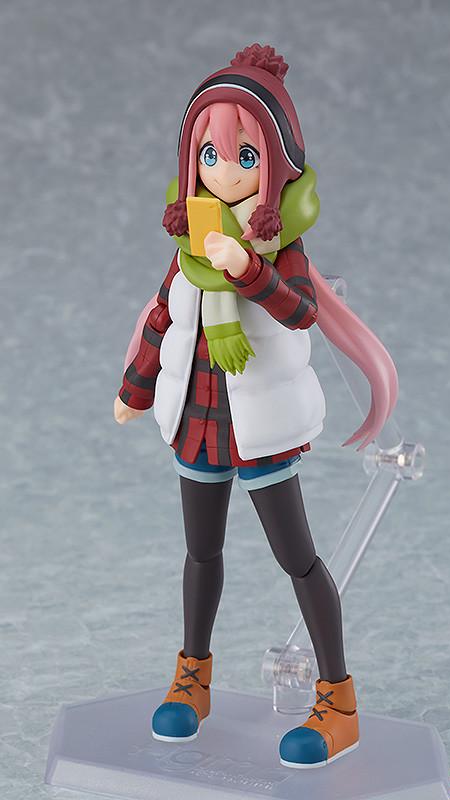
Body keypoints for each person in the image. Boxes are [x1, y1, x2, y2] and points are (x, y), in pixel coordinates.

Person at [115, 43, 398, 769]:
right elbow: (164, 317)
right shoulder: (190, 248)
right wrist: (135, 388)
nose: (225, 171)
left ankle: (339, 701)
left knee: (297, 557)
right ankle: (193, 676)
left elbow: (301, 311)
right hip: (198, 420)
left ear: (275, 165)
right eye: (210, 155)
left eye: (245, 157)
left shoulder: (280, 249)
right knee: (200, 552)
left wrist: (249, 271)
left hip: (260, 428)